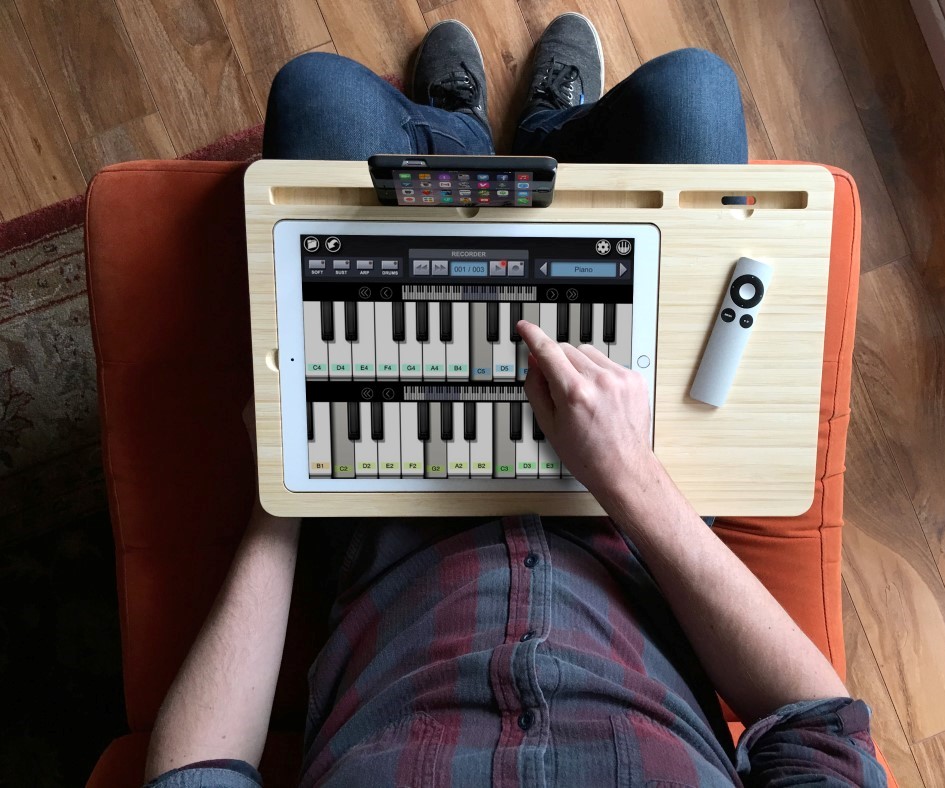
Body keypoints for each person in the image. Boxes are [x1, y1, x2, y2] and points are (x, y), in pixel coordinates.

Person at [142, 14, 886, 787]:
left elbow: (193, 773)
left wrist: (286, 481)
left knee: (317, 93)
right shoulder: (633, 488)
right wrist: (631, 477)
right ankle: (549, 130)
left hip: (389, 516)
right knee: (692, 93)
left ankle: (456, 132)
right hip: (630, 521)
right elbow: (822, 724)